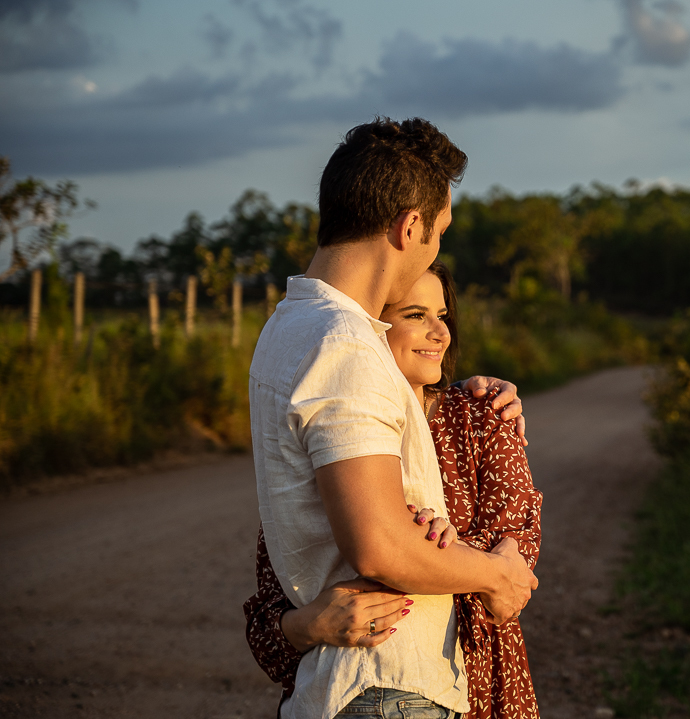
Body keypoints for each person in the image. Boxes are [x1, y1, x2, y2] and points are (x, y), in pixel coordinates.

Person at [249, 117, 537, 719]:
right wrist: (493, 575)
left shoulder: (289, 325)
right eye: (440, 231)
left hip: (352, 686)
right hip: (386, 688)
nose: (436, 248)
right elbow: (379, 545)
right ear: (410, 227)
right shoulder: (344, 343)